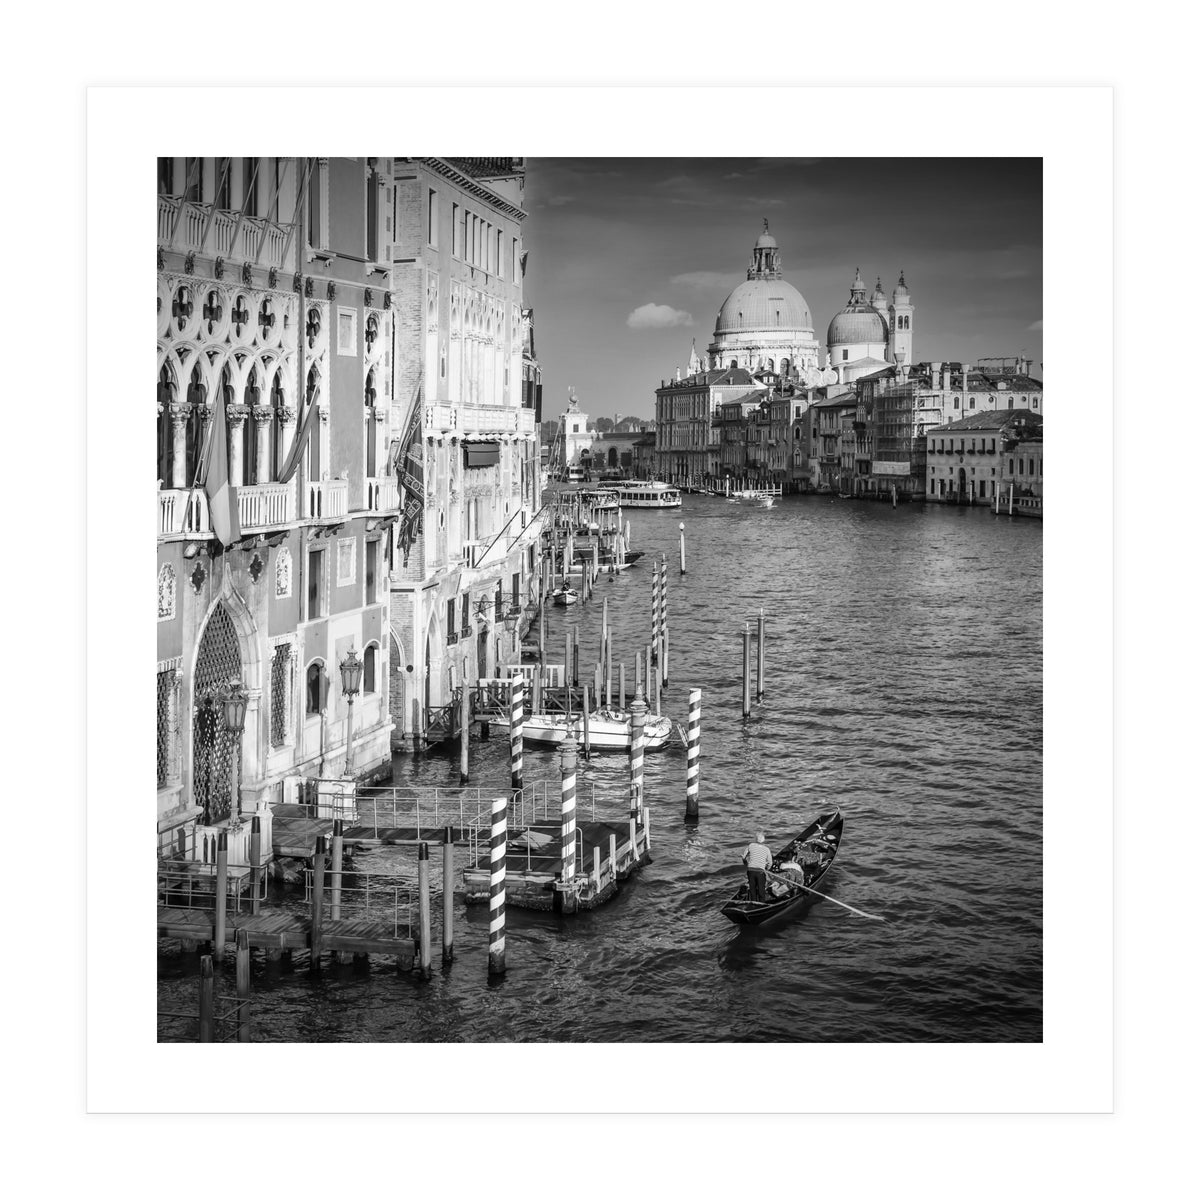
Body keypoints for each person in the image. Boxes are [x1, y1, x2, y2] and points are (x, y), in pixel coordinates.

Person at [742, 832, 773, 903]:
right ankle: (762, 903)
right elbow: (770, 862)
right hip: (760, 872)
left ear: (756, 839)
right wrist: (767, 868)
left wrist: (745, 863)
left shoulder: (751, 845)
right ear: (763, 840)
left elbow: (744, 857)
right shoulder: (767, 849)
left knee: (752, 889)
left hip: (750, 870)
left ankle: (753, 903)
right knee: (761, 889)